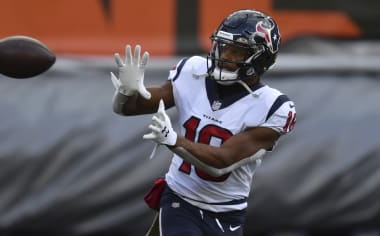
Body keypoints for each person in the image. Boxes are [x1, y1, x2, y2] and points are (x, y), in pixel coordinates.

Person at [110, 9, 297, 236]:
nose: (225, 55)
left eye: (236, 51)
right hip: (180, 199)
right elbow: (131, 107)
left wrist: (173, 140)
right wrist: (125, 92)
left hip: (227, 212)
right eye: (223, 46)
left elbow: (221, 163)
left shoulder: (272, 106)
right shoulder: (193, 71)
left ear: (261, 57)